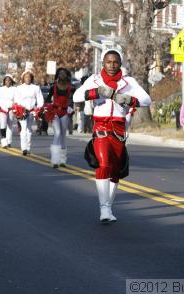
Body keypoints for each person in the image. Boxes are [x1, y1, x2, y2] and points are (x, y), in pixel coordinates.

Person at [73, 48, 151, 223]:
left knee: (115, 170)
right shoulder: (95, 79)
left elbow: (146, 100)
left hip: (119, 128)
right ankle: (104, 209)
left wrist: (128, 99)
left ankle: (108, 206)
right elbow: (77, 96)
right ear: (103, 63)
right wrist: (97, 91)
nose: (112, 65)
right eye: (108, 62)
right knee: (103, 164)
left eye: (115, 62)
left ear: (120, 64)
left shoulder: (128, 81)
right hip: (100, 126)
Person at [47, 68, 74, 167]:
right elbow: (48, 99)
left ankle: (62, 160)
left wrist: (71, 107)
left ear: (67, 75)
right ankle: (55, 160)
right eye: (60, 73)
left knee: (62, 135)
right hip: (55, 111)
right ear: (57, 75)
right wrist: (45, 108)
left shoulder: (71, 87)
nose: (62, 75)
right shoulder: (53, 86)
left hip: (65, 111)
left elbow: (73, 99)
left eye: (64, 73)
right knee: (57, 133)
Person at [13, 70, 44, 155]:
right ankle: (24, 148)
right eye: (26, 77)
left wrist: (38, 108)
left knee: (29, 129)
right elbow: (16, 100)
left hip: (31, 111)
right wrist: (19, 109)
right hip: (22, 111)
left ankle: (28, 147)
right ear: (23, 78)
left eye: (29, 77)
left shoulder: (36, 88)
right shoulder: (19, 88)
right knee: (23, 128)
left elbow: (40, 99)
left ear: (31, 78)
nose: (28, 78)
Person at [0, 74, 16, 148]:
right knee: (3, 125)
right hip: (2, 108)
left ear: (11, 81)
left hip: (11, 109)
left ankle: (9, 141)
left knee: (10, 125)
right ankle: (3, 140)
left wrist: (15, 108)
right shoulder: (1, 89)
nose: (7, 81)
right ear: (4, 81)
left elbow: (16, 100)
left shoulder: (14, 89)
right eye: (6, 80)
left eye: (9, 80)